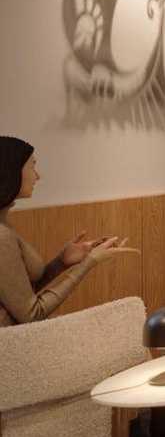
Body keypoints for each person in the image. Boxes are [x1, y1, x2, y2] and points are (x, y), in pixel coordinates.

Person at [0, 136, 138, 326]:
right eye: (32, 167)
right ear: (12, 171)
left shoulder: (4, 227)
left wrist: (61, 262)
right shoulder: (2, 236)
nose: (37, 176)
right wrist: (89, 262)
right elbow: (32, 314)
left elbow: (18, 295)